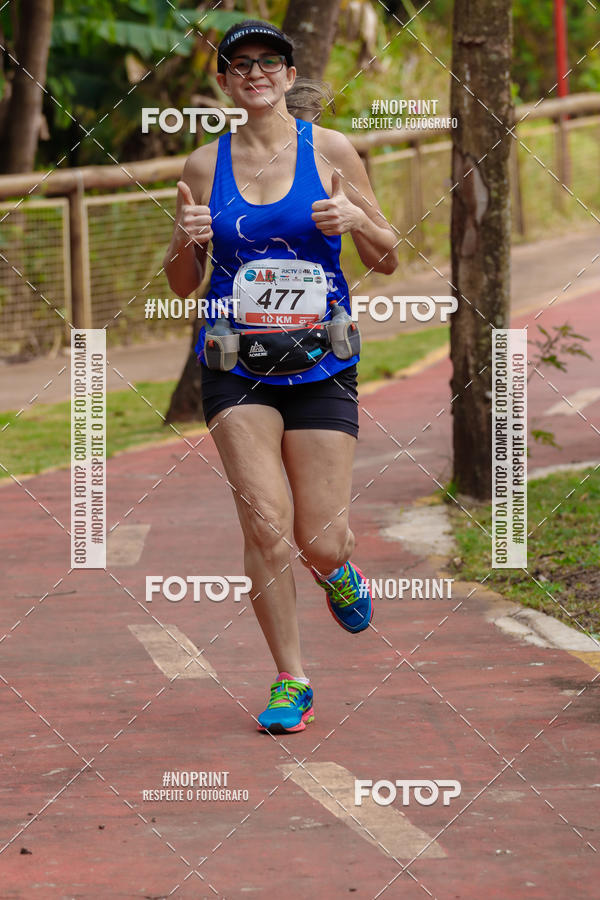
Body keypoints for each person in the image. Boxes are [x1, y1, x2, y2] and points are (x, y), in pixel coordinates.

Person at [163, 20, 398, 734]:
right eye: (241, 64)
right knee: (266, 523)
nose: (256, 72)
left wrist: (356, 217)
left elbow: (388, 256)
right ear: (226, 81)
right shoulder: (205, 167)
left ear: (290, 76)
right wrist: (183, 240)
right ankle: (292, 678)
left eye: (270, 61)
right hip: (237, 367)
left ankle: (339, 570)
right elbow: (180, 285)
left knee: (319, 540)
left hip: (323, 360)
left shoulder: (329, 149)